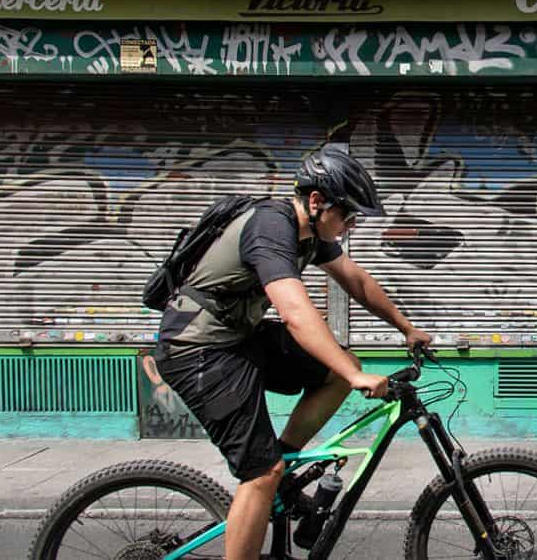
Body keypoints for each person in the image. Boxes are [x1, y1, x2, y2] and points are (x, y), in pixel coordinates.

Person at [153, 144, 431, 560]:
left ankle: (280, 468)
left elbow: (356, 280)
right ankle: (270, 476)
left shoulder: (309, 234)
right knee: (261, 473)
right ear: (316, 201)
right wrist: (357, 379)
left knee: (339, 369)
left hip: (237, 337)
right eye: (348, 214)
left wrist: (406, 328)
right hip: (197, 350)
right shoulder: (270, 227)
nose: (351, 224)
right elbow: (295, 312)